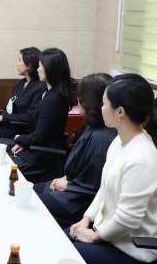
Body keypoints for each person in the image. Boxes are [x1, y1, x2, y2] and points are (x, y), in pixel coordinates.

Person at [68, 73, 157, 264]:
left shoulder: (141, 158)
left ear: (119, 111)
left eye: (104, 103)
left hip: (132, 253)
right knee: (59, 239)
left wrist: (95, 236)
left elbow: (127, 220)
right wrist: (86, 219)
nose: (101, 108)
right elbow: (105, 189)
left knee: (64, 253)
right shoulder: (120, 142)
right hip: (111, 238)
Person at [35, 73, 117, 228]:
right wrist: (66, 178)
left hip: (77, 201)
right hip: (71, 186)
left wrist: (67, 185)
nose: (77, 100)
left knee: (28, 202)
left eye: (80, 96)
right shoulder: (92, 125)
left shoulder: (102, 138)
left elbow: (95, 188)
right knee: (27, 191)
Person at [8, 48, 73, 175]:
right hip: (40, 148)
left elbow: (40, 137)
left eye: (40, 66)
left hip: (46, 157)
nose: (37, 69)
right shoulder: (50, 93)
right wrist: (24, 142)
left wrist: (21, 138)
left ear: (50, 69)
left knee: (6, 162)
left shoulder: (53, 100)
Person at [0, 47, 46, 138]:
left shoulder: (40, 87)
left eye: (20, 61)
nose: (17, 64)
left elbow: (31, 116)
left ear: (29, 65)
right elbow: (9, 109)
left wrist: (3, 118)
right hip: (7, 125)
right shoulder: (19, 83)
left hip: (20, 130)